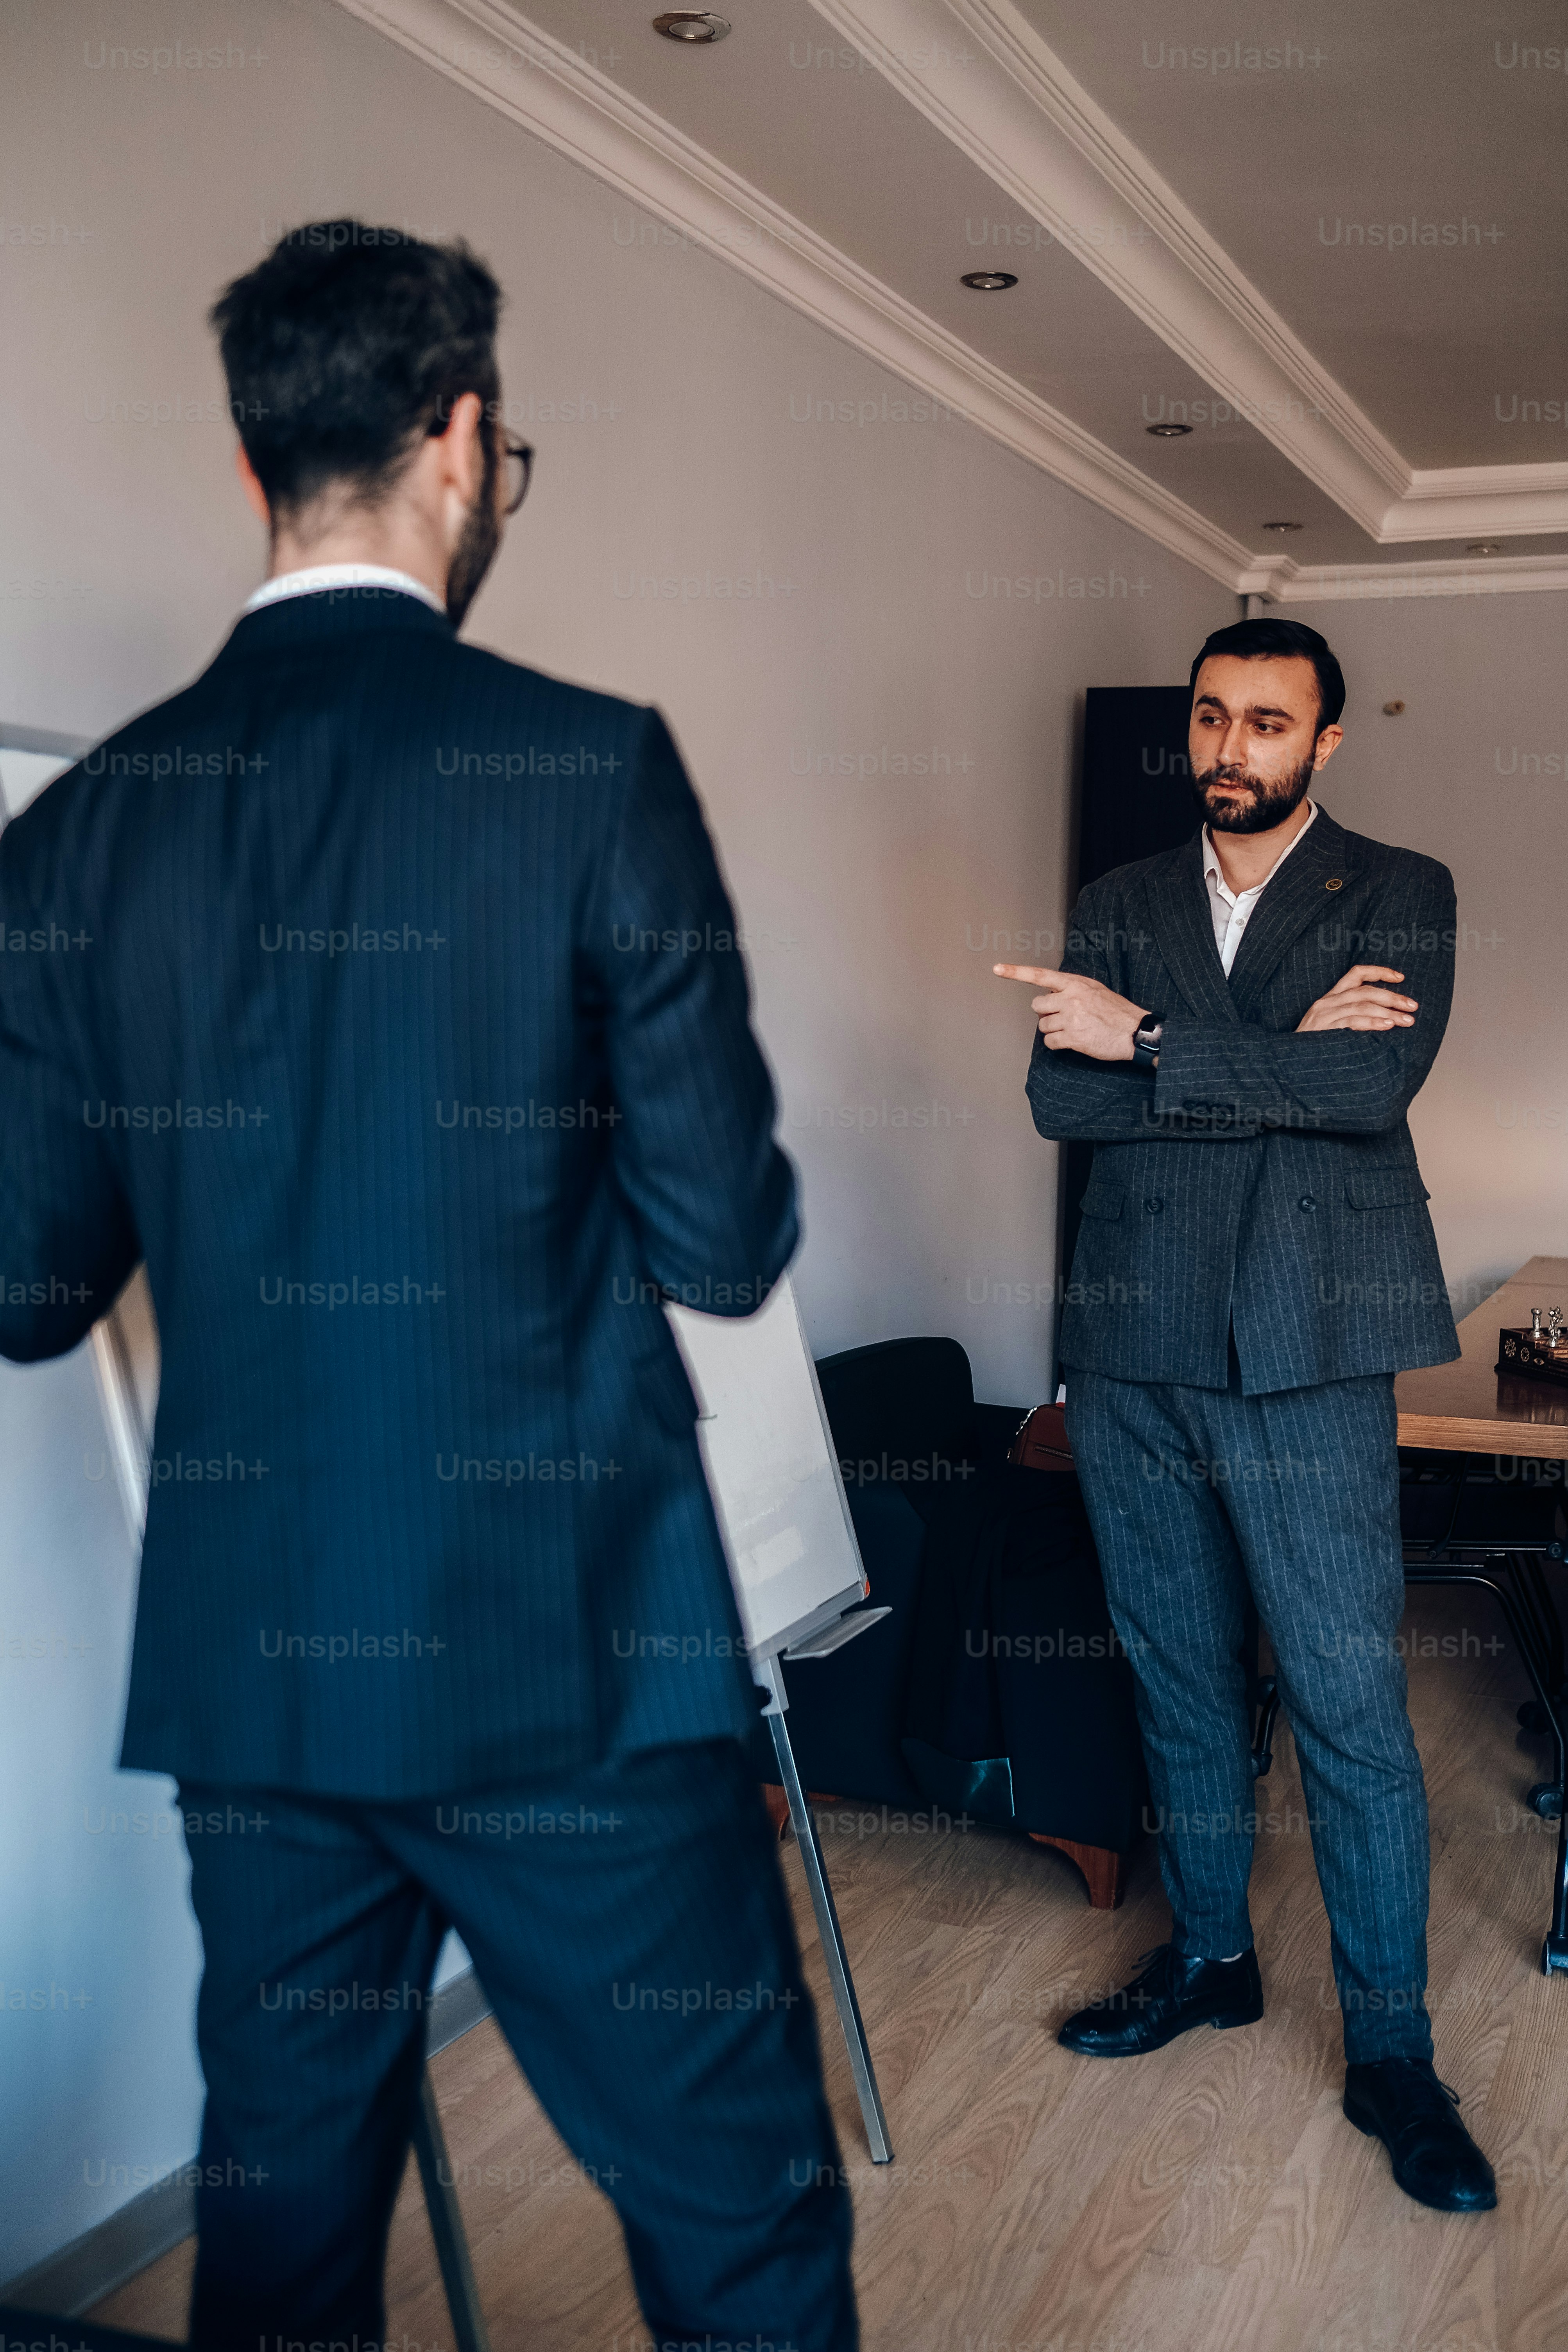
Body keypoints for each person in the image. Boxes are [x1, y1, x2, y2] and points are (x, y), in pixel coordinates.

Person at [0, 221, 857, 2347]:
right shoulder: (584, 771)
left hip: (262, 1679)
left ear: (249, 467)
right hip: (562, 1657)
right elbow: (721, 1241)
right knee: (735, 2220)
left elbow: (27, 1288)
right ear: (464, 441)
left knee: (283, 2253)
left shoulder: (80, 840)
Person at [996, 616, 1495, 2214]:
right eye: (1213, 718)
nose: (1230, 747)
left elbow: (1368, 1093)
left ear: (1322, 743)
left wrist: (1146, 1040)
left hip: (1307, 1347)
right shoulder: (1118, 900)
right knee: (1175, 1673)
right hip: (1132, 1345)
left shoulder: (1400, 890)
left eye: (1266, 724)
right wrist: (1263, 1061)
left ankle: (1392, 2051)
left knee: (1348, 1699)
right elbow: (1054, 1102)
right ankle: (1211, 1953)